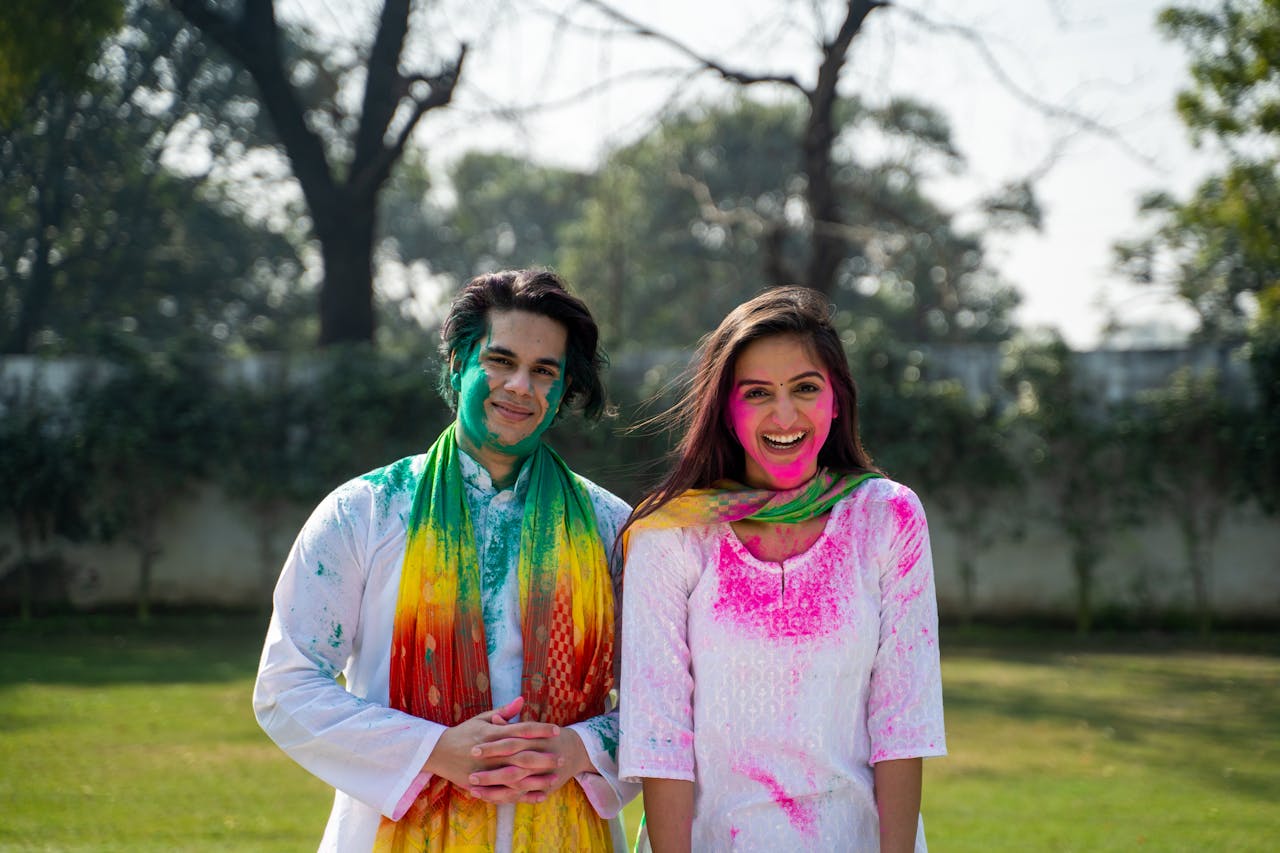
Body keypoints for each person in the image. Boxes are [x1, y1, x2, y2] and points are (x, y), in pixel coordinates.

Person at [254, 269, 638, 852]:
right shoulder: (368, 511)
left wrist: (580, 748)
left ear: (562, 392)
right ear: (457, 363)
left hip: (568, 828)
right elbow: (286, 685)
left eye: (544, 372)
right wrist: (431, 750)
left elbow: (665, 701)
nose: (519, 386)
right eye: (499, 360)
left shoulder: (613, 528)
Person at [617, 286, 946, 852]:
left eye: (805, 388)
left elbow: (903, 721)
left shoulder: (886, 516)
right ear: (726, 408)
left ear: (837, 399)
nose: (785, 414)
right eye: (758, 393)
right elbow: (659, 737)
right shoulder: (673, 534)